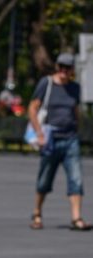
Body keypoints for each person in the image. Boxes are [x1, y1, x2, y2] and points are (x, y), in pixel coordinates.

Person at [28, 53, 87, 231]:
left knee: (76, 178)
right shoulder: (47, 83)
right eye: (61, 67)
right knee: (45, 178)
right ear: (57, 67)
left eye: (67, 68)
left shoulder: (75, 88)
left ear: (72, 71)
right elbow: (32, 107)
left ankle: (76, 218)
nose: (63, 71)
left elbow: (76, 109)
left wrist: (78, 127)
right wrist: (39, 133)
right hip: (50, 138)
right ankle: (37, 213)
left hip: (70, 138)